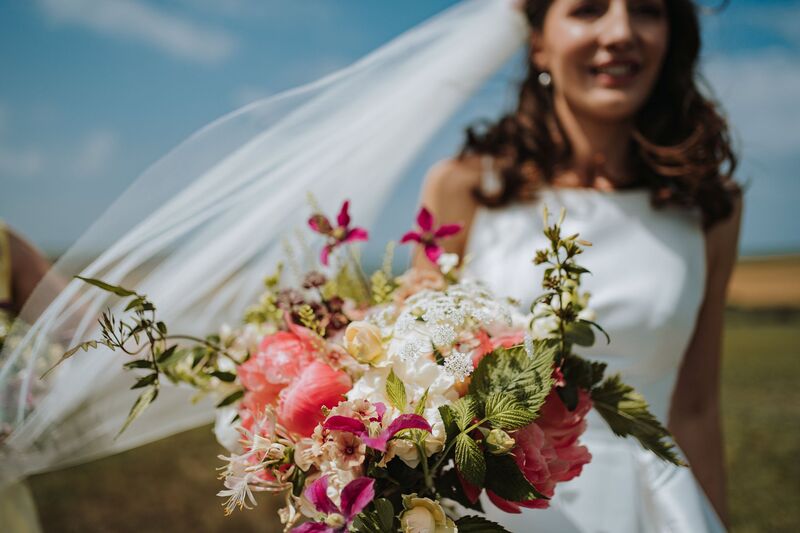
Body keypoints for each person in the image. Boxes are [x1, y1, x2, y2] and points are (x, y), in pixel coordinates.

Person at [413, 0, 740, 531]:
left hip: (653, 507)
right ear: (538, 40)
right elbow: (421, 377)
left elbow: (697, 407)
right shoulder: (463, 188)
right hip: (498, 510)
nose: (620, 32)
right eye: (588, 9)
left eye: (647, 10)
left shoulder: (709, 207)